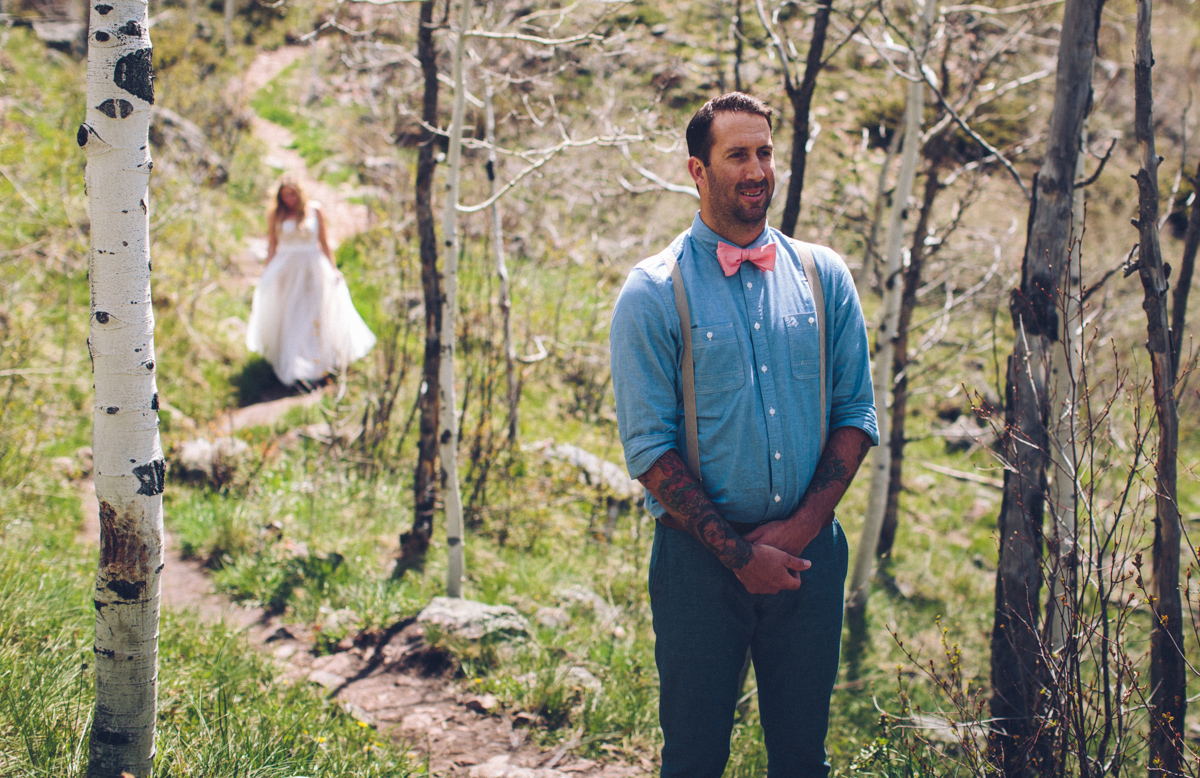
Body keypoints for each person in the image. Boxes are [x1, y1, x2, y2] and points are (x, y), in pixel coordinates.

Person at [609, 93, 878, 777]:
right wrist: (738, 554)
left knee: (801, 760)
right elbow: (648, 450)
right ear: (698, 171)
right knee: (695, 759)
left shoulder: (825, 277)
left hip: (809, 562)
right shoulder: (652, 292)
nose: (757, 169)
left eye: (764, 151)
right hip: (697, 567)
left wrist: (797, 532)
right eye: (738, 154)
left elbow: (855, 415)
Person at [246, 179, 376, 387]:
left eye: (293, 194)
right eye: (285, 195)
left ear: (300, 193)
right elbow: (272, 244)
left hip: (313, 268)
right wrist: (267, 272)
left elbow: (324, 242)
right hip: (286, 270)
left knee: (315, 312)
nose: (289, 199)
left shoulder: (315, 211)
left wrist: (333, 270)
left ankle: (319, 363)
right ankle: (295, 364)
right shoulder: (276, 215)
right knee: (292, 314)